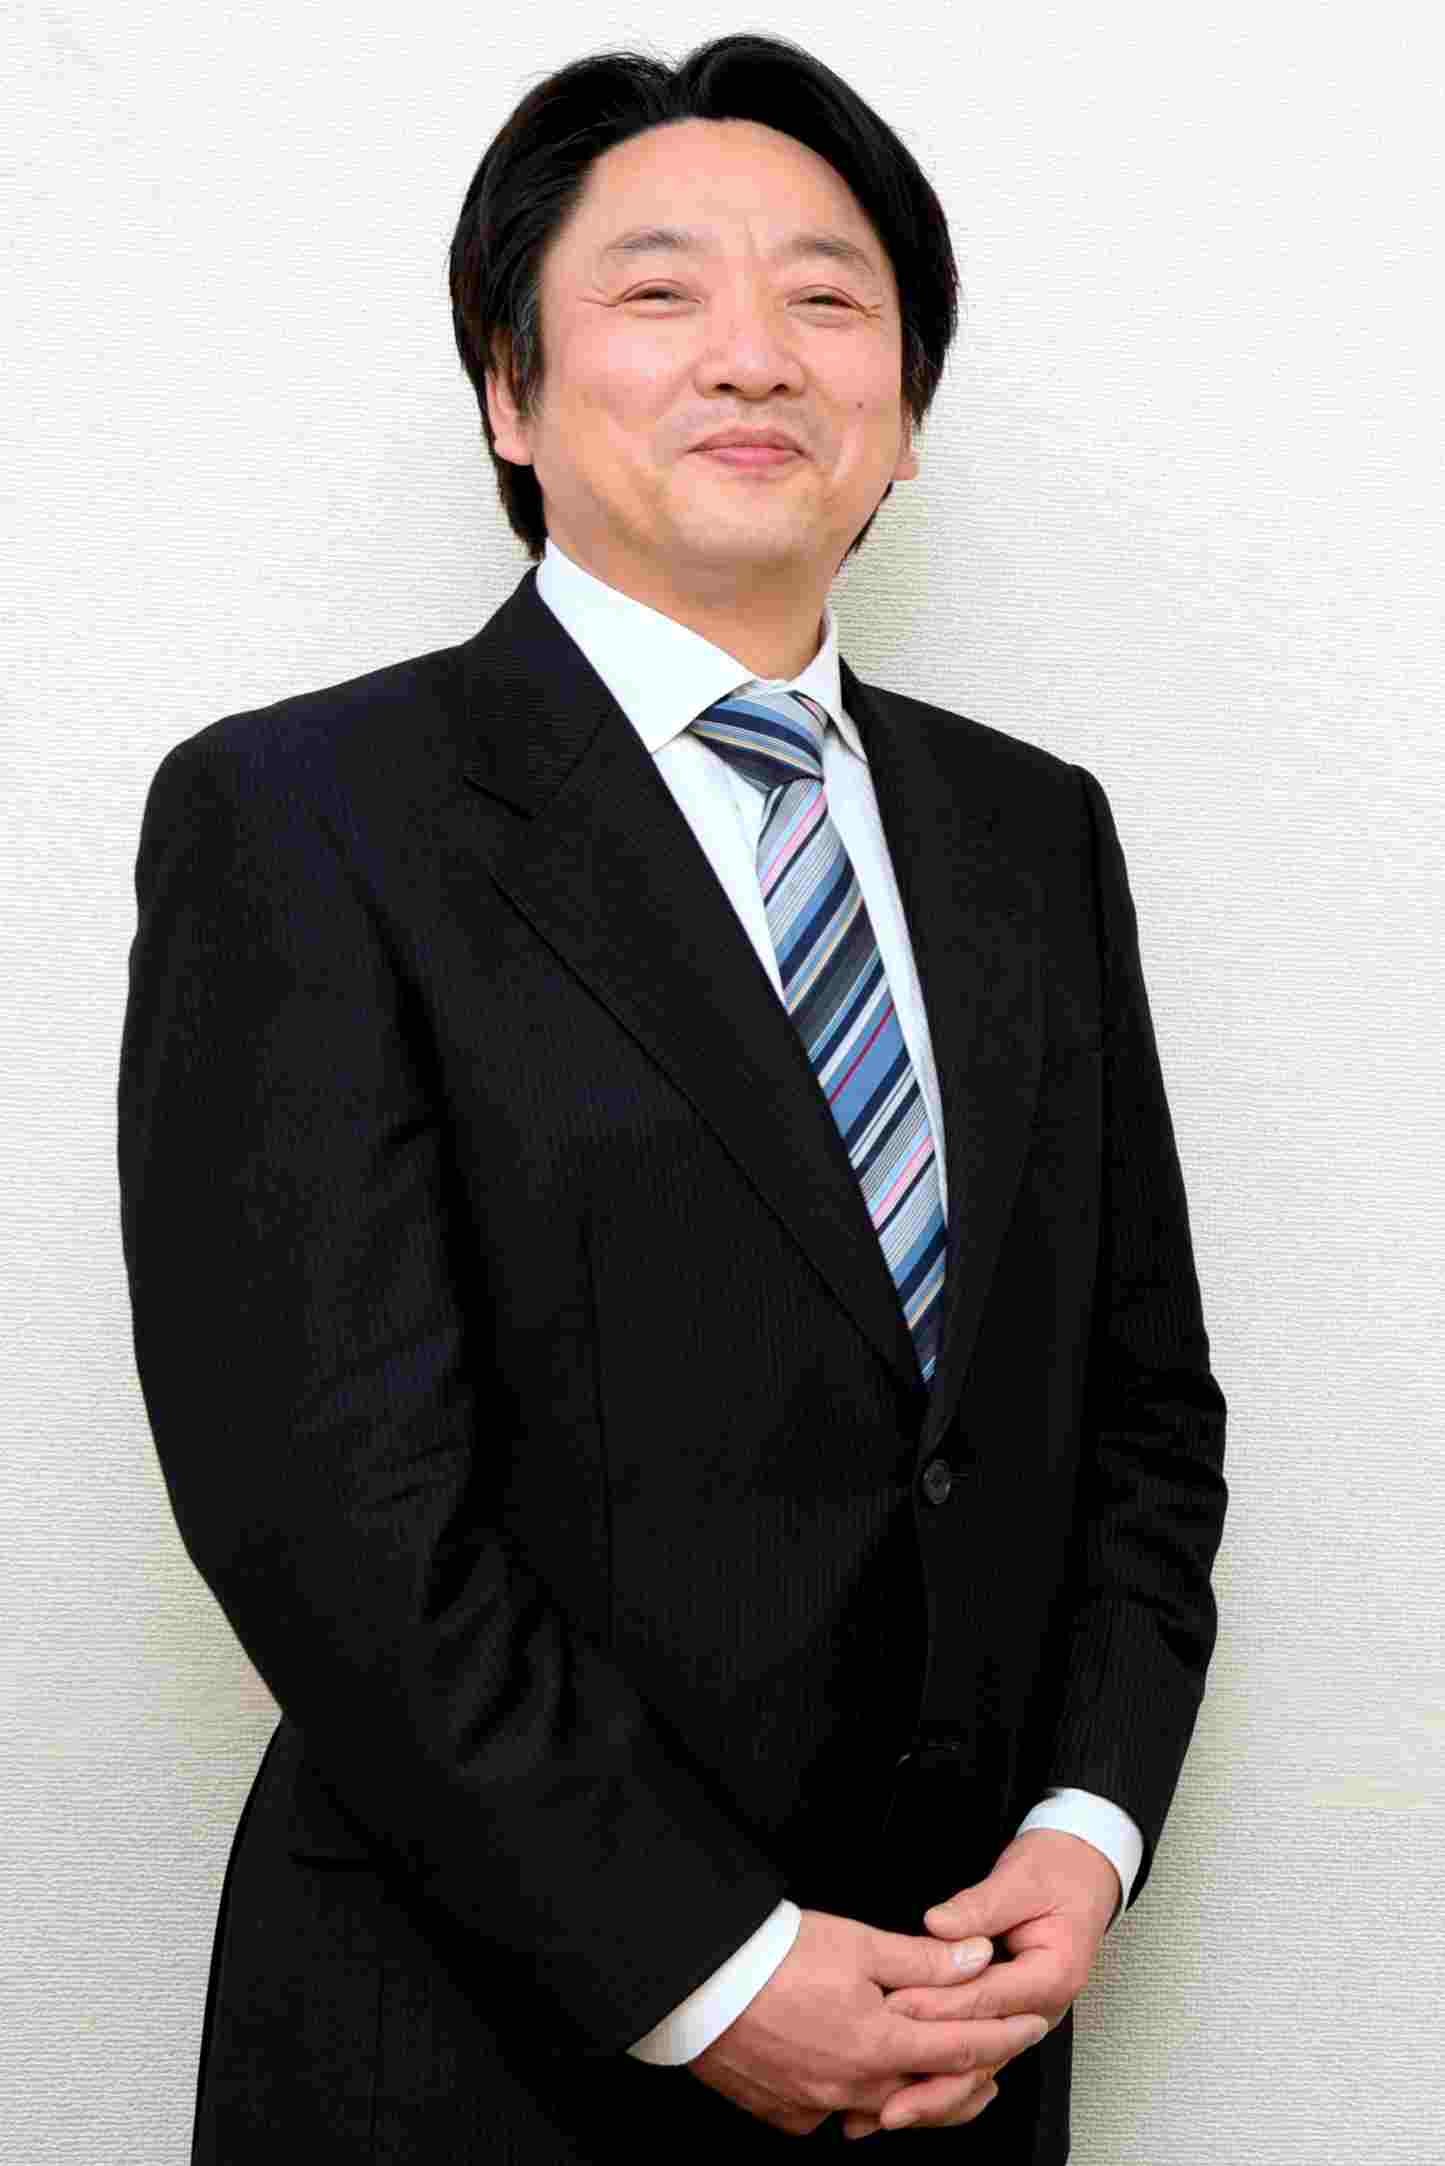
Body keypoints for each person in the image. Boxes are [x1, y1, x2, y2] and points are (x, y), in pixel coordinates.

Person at [117, 31, 1227, 2164]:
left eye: (827, 297)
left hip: (956, 2043)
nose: (755, 353)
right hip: (481, 2051)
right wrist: (706, 1967)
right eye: (657, 291)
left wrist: (1086, 1830)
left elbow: (1138, 1415)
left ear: (903, 410)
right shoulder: (308, 814)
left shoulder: (1031, 836)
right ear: (509, 392)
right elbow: (320, 1502)